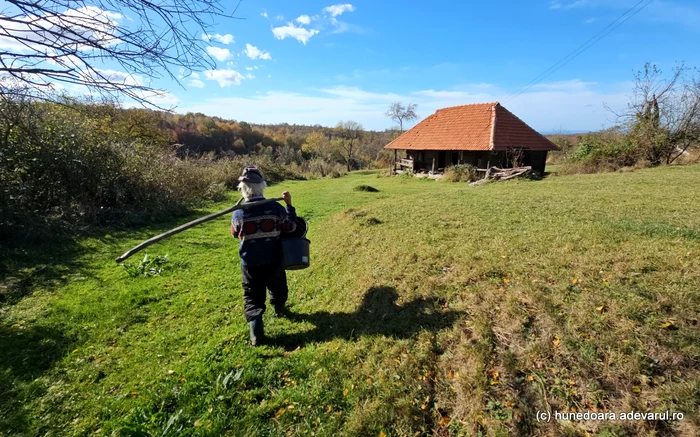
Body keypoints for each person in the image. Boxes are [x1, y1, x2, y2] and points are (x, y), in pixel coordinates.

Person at [231, 166, 297, 346]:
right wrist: (289, 206)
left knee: (252, 295)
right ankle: (280, 308)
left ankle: (256, 333)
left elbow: (234, 233)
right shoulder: (275, 208)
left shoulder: (238, 213)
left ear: (242, 188)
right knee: (278, 286)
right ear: (262, 186)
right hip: (274, 259)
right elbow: (290, 227)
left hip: (250, 263)